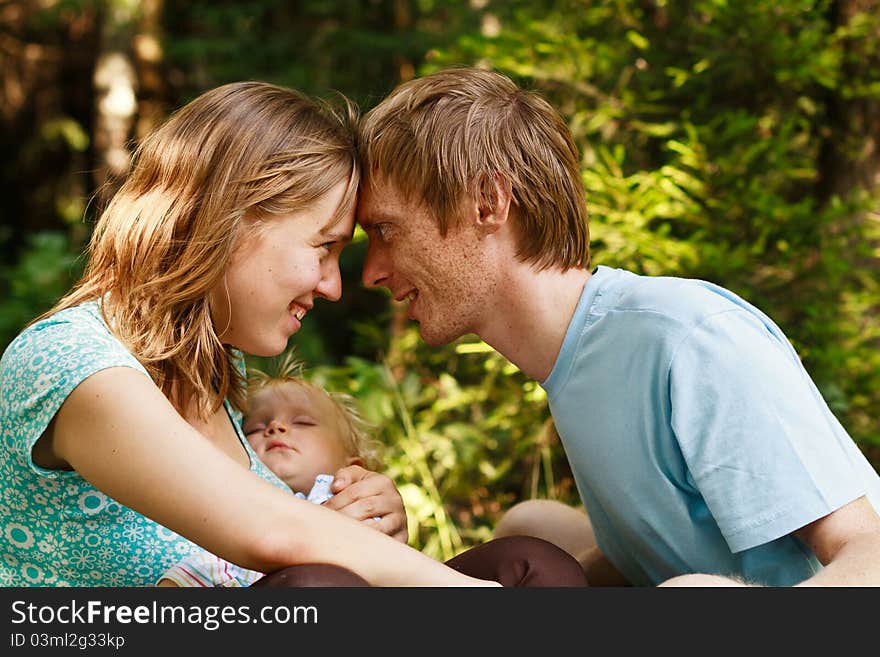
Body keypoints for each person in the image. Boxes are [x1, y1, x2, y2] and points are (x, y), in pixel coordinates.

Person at [0, 80, 585, 588]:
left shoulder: (218, 382)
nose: (333, 286)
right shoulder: (70, 359)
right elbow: (274, 535)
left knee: (531, 565)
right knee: (316, 586)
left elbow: (281, 543)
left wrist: (367, 529)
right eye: (324, 247)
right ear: (232, 217)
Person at [355, 65, 880, 587]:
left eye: (385, 230)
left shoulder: (687, 336)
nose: (372, 271)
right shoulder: (572, 364)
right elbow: (663, 553)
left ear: (488, 202)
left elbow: (870, 554)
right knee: (532, 529)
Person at [158, 354, 385, 586]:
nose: (276, 427)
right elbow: (210, 564)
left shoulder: (357, 505)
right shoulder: (242, 513)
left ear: (352, 466)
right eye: (256, 428)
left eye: (302, 422)